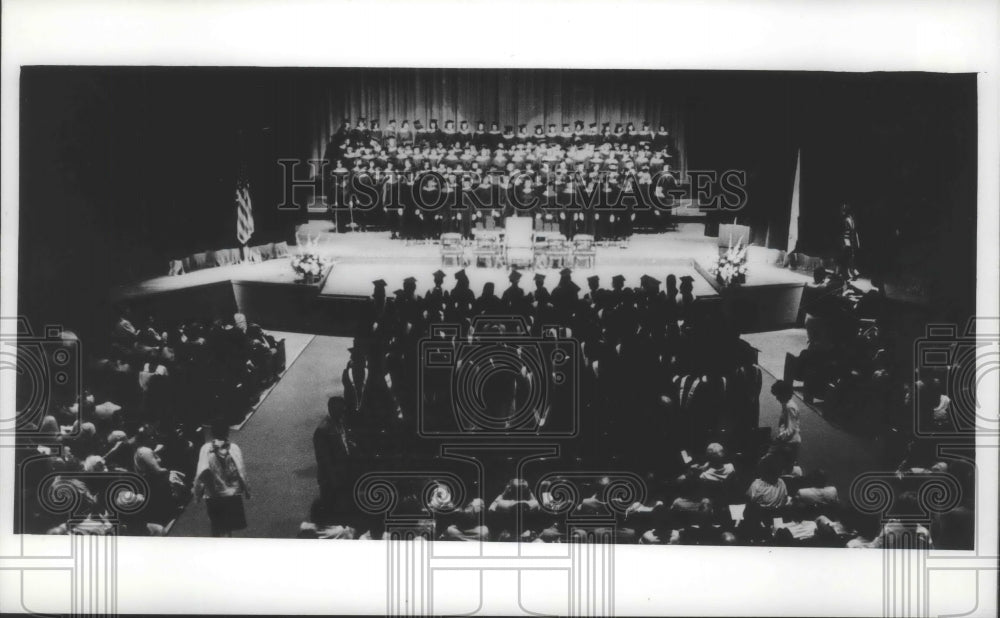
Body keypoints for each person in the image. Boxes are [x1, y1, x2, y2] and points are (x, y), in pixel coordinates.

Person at [194, 421, 250, 537]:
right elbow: (241, 471)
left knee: (216, 526)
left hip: (214, 495)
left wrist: (197, 493)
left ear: (212, 432)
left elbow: (201, 473)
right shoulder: (234, 448)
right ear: (227, 432)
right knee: (228, 527)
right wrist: (247, 490)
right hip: (232, 494)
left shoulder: (206, 449)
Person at [770, 380, 801, 466]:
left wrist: (778, 438)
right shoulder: (786, 404)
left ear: (784, 394)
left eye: (778, 395)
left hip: (790, 443)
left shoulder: (789, 407)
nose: (777, 398)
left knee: (787, 465)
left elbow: (790, 430)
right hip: (787, 441)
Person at [839, 203, 860, 280]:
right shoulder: (851, 219)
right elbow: (854, 231)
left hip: (847, 242)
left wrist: (844, 243)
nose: (842, 212)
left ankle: (848, 275)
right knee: (850, 259)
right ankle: (854, 273)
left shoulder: (846, 220)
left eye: (843, 210)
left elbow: (846, 232)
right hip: (851, 241)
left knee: (846, 259)